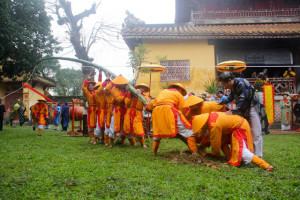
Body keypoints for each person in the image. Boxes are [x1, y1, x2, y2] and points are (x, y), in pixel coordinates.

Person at [192, 113, 274, 171]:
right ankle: (228, 156)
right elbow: (205, 134)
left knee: (241, 151)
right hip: (237, 124)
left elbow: (215, 142)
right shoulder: (210, 116)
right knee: (223, 141)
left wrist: (215, 155)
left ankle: (265, 165)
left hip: (239, 127)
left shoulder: (214, 125)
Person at [218, 71, 269, 158]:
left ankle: (258, 156)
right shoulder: (234, 86)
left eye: (224, 83)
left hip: (252, 108)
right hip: (243, 109)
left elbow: (244, 98)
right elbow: (231, 97)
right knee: (246, 131)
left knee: (256, 132)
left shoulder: (241, 83)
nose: (224, 86)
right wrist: (221, 103)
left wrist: (234, 111)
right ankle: (250, 154)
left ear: (230, 80)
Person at [145, 83, 199, 157]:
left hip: (156, 112)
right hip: (169, 110)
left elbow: (152, 104)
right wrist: (185, 118)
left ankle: (154, 153)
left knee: (158, 133)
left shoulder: (163, 92)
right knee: (188, 132)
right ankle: (195, 153)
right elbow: (182, 108)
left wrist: (147, 108)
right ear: (180, 89)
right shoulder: (178, 94)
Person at [104, 75, 130, 147]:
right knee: (113, 126)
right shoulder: (114, 88)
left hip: (124, 109)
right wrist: (126, 94)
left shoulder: (126, 89)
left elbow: (127, 101)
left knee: (124, 126)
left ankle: (122, 140)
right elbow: (118, 99)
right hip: (116, 110)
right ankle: (110, 142)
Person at [123, 83, 150, 148]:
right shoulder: (131, 94)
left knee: (138, 128)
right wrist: (130, 94)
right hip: (129, 112)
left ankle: (142, 143)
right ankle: (133, 143)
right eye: (140, 87)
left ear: (144, 90)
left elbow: (148, 104)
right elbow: (126, 102)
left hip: (138, 113)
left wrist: (140, 95)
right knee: (127, 127)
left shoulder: (145, 97)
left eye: (143, 88)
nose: (141, 89)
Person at [82, 74, 97, 144]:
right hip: (90, 109)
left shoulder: (97, 92)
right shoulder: (87, 93)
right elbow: (83, 87)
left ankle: (97, 138)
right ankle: (91, 138)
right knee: (91, 124)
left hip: (97, 109)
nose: (91, 86)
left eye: (92, 85)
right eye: (89, 86)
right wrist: (87, 79)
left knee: (97, 124)